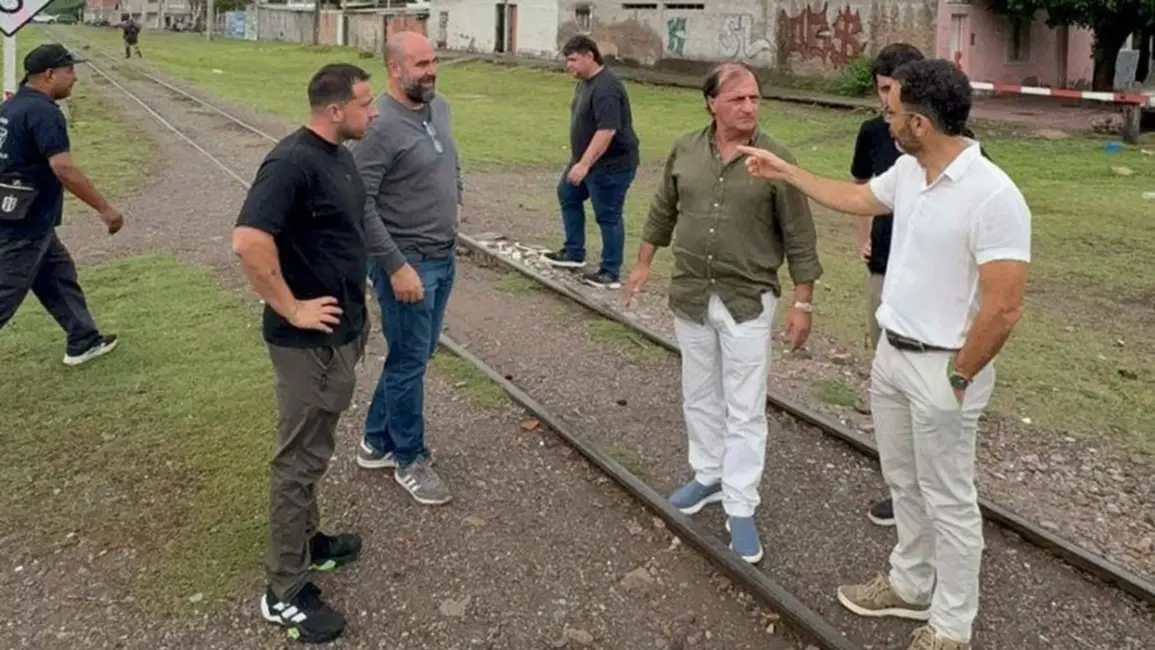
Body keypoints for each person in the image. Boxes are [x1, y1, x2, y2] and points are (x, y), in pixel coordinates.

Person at [739, 58, 1031, 650]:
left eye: (893, 111)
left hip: (944, 367)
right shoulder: (909, 171)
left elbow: (1003, 307)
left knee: (949, 497)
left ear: (921, 123)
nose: (886, 119)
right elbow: (855, 197)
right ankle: (910, 583)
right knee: (903, 482)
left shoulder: (994, 196)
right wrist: (786, 171)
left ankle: (952, 624)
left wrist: (960, 376)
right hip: (893, 356)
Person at [622, 62, 822, 564]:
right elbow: (662, 209)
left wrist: (802, 303)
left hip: (746, 299)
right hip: (691, 292)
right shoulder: (685, 149)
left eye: (754, 98)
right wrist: (643, 263)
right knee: (699, 391)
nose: (749, 107)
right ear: (711, 103)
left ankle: (740, 503)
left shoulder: (776, 158)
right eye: (738, 99)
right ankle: (708, 474)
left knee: (745, 405)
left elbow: (799, 235)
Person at [232, 62, 378, 644]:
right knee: (297, 461)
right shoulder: (291, 161)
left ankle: (308, 542)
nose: (374, 112)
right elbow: (248, 241)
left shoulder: (338, 156)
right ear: (335, 110)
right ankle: (284, 589)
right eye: (366, 103)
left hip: (338, 336)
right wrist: (292, 308)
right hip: (307, 345)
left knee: (315, 448)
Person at [349, 31, 461, 506]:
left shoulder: (438, 106)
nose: (431, 70)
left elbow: (450, 159)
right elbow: (360, 204)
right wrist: (394, 266)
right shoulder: (377, 127)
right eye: (421, 64)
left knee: (414, 354)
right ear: (394, 69)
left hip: (443, 253)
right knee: (410, 360)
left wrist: (457, 198)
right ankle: (408, 457)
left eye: (434, 61)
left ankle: (376, 441)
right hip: (408, 261)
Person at [0, 44, 123, 366]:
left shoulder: (12, 106)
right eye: (70, 71)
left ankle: (83, 340)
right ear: (50, 74)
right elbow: (64, 169)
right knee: (6, 290)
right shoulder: (43, 112)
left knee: (56, 273)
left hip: (23, 212)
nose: (75, 78)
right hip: (24, 221)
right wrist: (104, 208)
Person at [851, 43, 928, 529]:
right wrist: (863, 238)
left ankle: (928, 489)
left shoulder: (949, 136)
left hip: (929, 282)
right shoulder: (873, 133)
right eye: (882, 89)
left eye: (894, 90)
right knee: (887, 378)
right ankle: (902, 489)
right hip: (884, 267)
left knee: (927, 390)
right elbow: (860, 187)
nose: (887, 101)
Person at [543, 34, 640, 289]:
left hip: (611, 165)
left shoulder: (607, 88)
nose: (568, 65)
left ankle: (610, 272)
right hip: (585, 160)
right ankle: (574, 252)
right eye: (567, 60)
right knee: (568, 194)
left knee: (608, 215)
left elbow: (607, 130)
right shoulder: (585, 83)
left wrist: (584, 164)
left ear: (590, 56)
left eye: (573, 60)